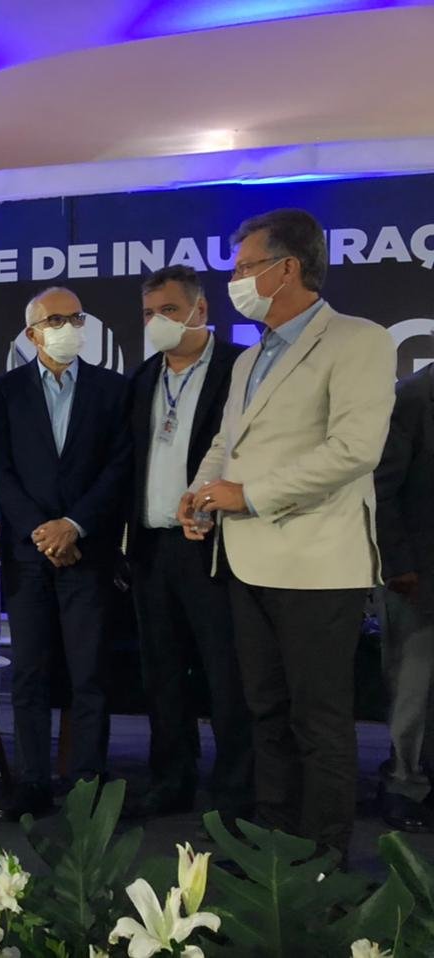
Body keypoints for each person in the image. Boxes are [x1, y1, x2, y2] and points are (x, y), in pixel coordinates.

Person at [182, 208, 396, 860]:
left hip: (317, 563)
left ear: (287, 268)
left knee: (318, 722)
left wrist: (249, 495)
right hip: (246, 559)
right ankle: (274, 859)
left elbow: (355, 449)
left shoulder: (358, 340)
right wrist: (201, 492)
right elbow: (227, 444)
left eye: (246, 267)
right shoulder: (249, 357)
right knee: (266, 715)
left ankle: (325, 868)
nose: (235, 281)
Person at [0, 286, 132, 821]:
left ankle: (87, 784)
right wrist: (42, 533)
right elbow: (0, 472)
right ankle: (32, 782)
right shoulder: (5, 391)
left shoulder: (112, 390)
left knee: (89, 675)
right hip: (29, 558)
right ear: (32, 333)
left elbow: (118, 467)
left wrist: (73, 526)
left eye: (75, 318)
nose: (67, 327)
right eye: (55, 320)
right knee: (30, 675)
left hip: (87, 553)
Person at [126, 266, 252, 820]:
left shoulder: (239, 368)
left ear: (200, 310)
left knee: (226, 675)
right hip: (152, 546)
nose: (157, 322)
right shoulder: (141, 378)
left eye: (169, 311)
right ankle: (171, 780)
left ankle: (234, 794)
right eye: (149, 313)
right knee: (162, 673)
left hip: (214, 545)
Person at [371, 353, 434, 831]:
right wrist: (397, 564)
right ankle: (404, 784)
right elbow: (383, 486)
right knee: (412, 685)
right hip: (418, 572)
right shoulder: (412, 396)